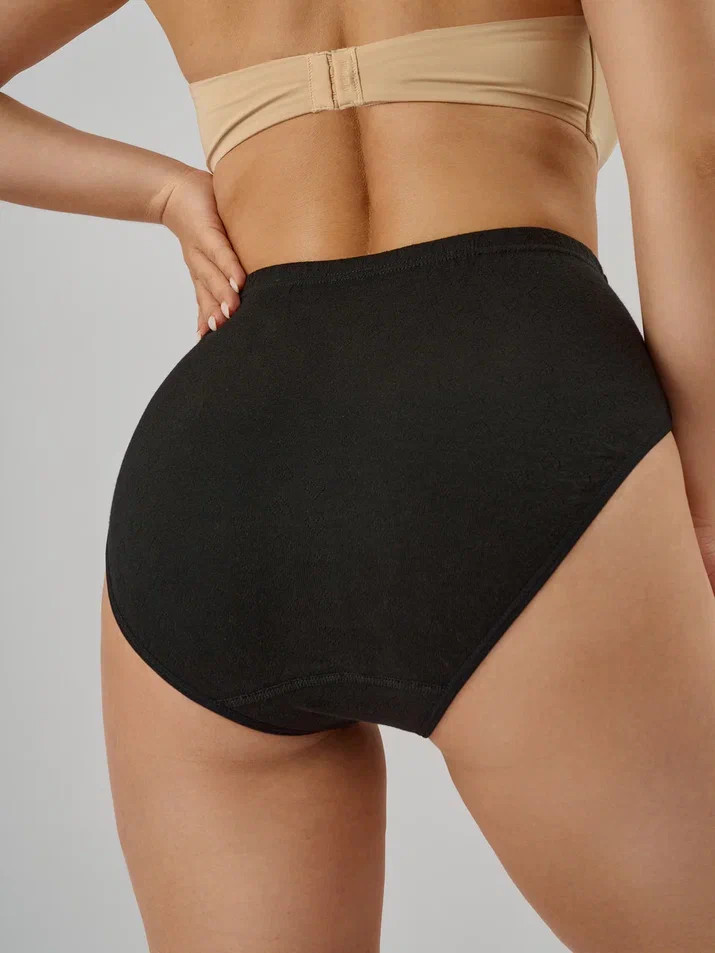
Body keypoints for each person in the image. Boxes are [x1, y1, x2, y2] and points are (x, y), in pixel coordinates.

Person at [2, 0, 715, 949]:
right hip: (506, 420)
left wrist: (163, 193)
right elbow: (688, 150)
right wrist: (702, 504)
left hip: (218, 478)